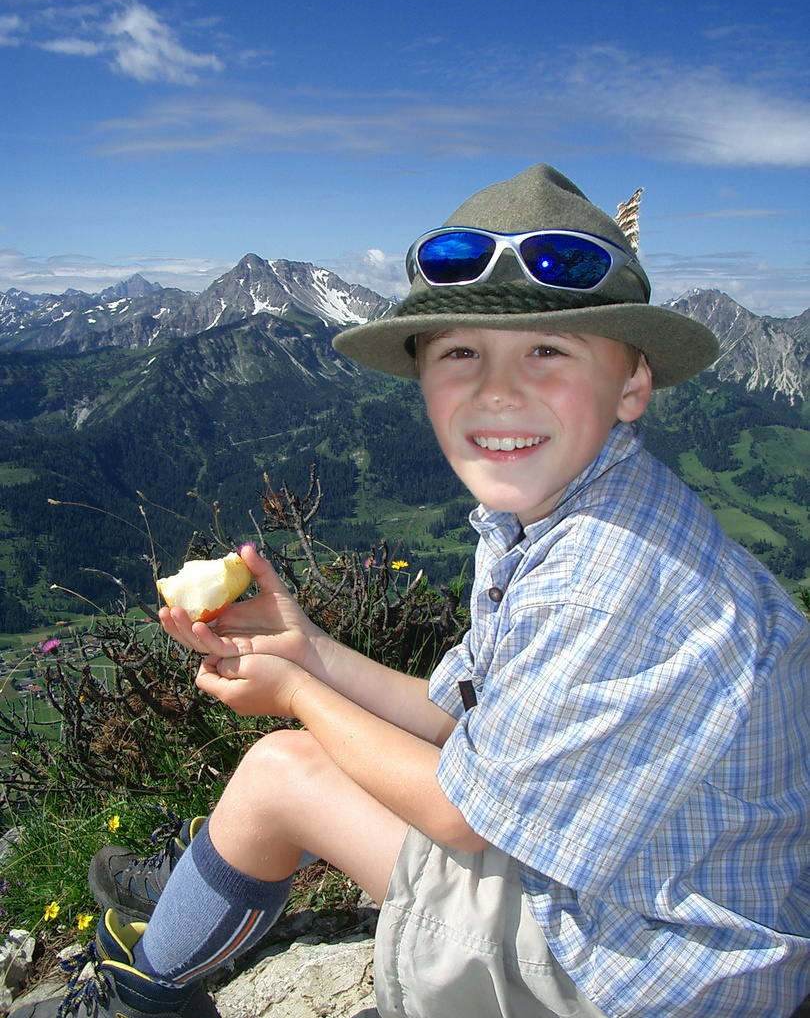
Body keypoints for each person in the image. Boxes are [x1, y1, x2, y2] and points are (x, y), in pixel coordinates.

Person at [13, 164, 810, 1018]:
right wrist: (309, 649)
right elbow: (462, 718)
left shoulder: (607, 576)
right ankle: (211, 876)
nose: (498, 389)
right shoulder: (563, 518)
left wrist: (294, 693)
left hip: (640, 971)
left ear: (633, 386)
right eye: (461, 352)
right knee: (296, 766)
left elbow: (466, 813)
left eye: (549, 351)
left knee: (284, 768)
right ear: (425, 378)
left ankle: (143, 992)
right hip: (636, 896)